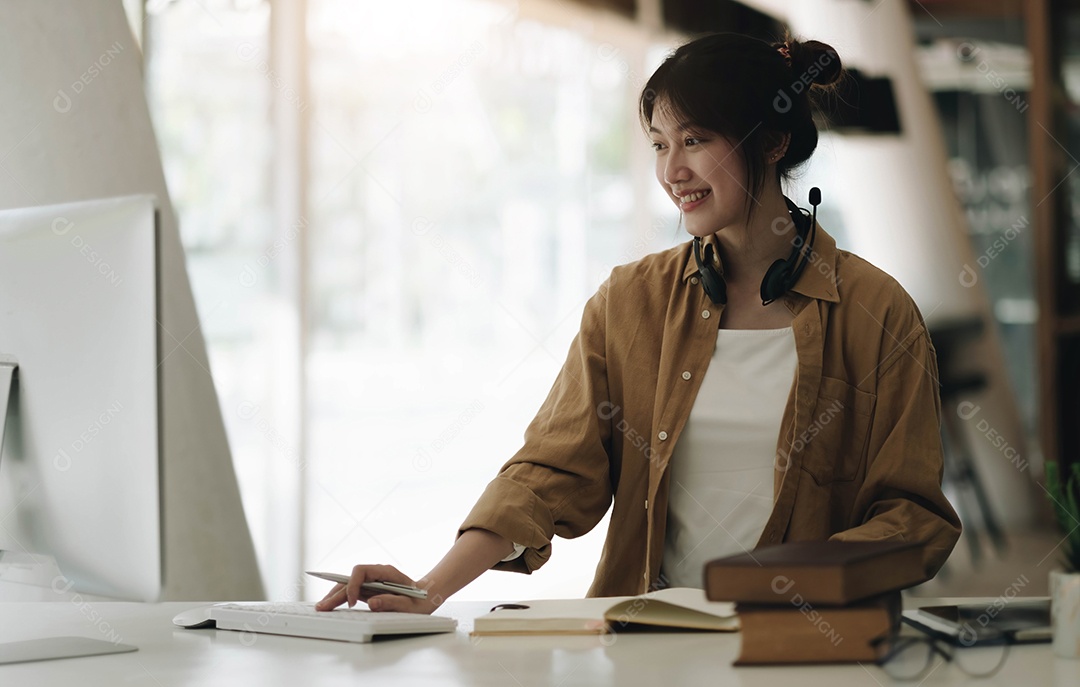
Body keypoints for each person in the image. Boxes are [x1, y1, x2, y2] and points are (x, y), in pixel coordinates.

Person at [316, 32, 962, 614]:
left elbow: (911, 515)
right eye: (659, 144)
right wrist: (428, 589)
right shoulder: (630, 301)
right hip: (649, 646)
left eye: (696, 139)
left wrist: (785, 582)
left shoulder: (876, 310)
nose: (672, 171)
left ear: (771, 140)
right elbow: (547, 472)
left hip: (801, 647)